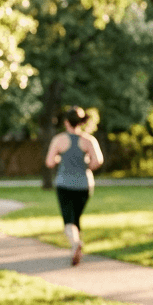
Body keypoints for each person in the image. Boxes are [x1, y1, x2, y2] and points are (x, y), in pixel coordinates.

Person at [45, 106, 104, 266]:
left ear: (66, 122)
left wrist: (60, 159)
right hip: (84, 185)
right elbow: (97, 161)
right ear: (81, 121)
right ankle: (76, 245)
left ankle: (75, 243)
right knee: (76, 218)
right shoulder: (88, 140)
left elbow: (49, 162)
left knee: (69, 219)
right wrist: (86, 166)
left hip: (64, 184)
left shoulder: (59, 140)